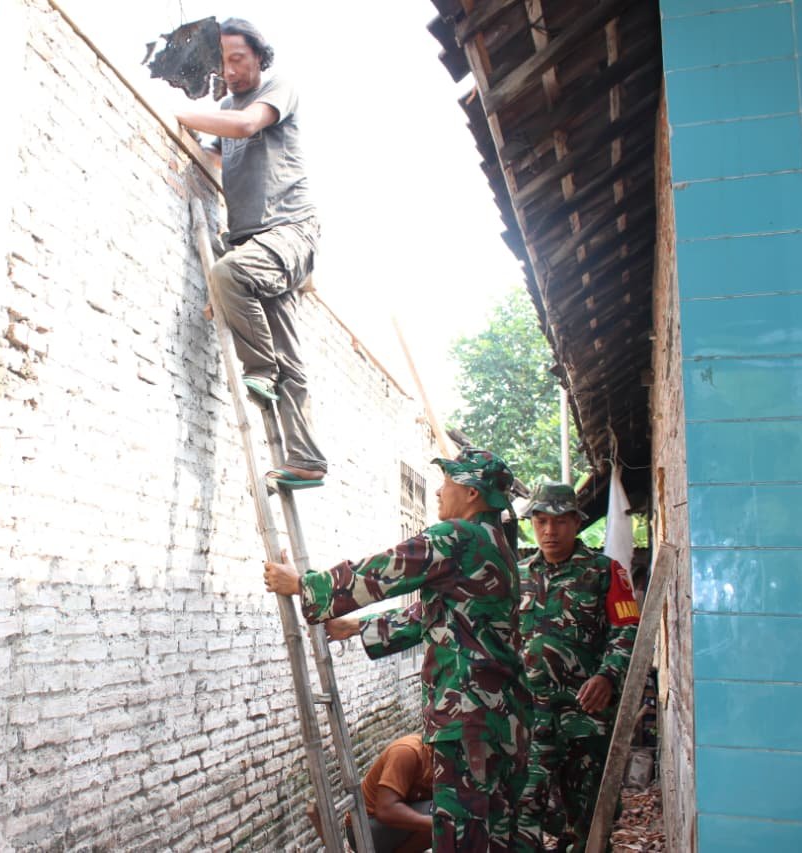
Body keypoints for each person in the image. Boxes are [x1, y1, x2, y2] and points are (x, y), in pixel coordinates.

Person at [264, 448, 530, 852]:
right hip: (506, 719)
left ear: (472, 493)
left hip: (468, 718)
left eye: (447, 483)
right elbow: (446, 617)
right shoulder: (499, 549)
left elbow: (385, 570)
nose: (439, 492)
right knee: (497, 835)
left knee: (462, 840)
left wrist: (303, 585)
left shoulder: (458, 536)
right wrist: (356, 627)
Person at [174, 18, 326, 490]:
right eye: (223, 63)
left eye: (238, 59)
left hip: (290, 231)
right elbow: (217, 151)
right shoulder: (222, 106)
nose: (231, 70)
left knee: (229, 276)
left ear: (259, 57)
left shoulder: (278, 88)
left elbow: (245, 125)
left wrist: (177, 111)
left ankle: (260, 370)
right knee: (289, 353)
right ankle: (306, 461)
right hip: (251, 238)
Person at [513, 482, 640, 853]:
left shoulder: (605, 572)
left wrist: (608, 674)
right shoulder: (517, 576)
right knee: (523, 808)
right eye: (540, 522)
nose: (549, 531)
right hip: (531, 717)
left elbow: (627, 628)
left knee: (589, 814)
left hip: (585, 716)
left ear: (576, 523)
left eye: (560, 522)